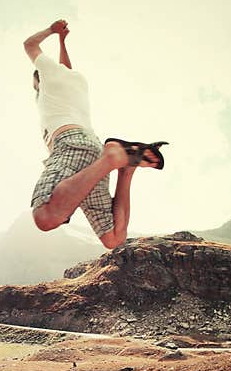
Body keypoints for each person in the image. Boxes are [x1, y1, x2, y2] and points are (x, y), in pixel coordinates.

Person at [24, 19, 167, 249]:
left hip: (70, 145)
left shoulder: (47, 79)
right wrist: (62, 41)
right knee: (113, 238)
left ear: (40, 79)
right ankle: (125, 169)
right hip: (92, 152)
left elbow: (29, 44)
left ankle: (114, 159)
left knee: (45, 216)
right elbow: (67, 68)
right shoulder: (76, 81)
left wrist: (52, 31)